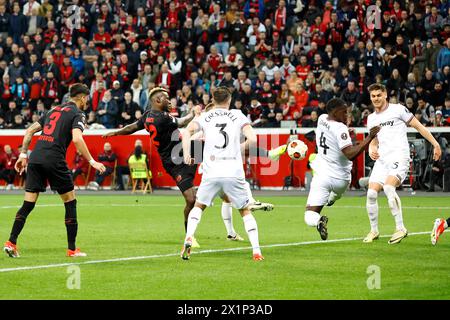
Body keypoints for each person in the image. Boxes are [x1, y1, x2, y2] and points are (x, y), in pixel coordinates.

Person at [3, 83, 106, 258]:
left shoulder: (52, 111)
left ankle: (11, 242)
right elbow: (77, 138)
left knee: (28, 204)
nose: (87, 102)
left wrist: (22, 155)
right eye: (87, 98)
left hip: (35, 158)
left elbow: (29, 131)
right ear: (82, 98)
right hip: (54, 158)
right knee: (70, 202)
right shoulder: (77, 113)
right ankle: (72, 249)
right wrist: (92, 161)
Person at [103, 87, 201, 246]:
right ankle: (189, 235)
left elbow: (131, 128)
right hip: (174, 162)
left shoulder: (148, 116)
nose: (169, 101)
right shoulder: (164, 117)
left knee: (207, 145)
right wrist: (193, 114)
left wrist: (115, 133)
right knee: (191, 199)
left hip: (183, 153)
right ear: (157, 100)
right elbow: (182, 122)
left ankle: (227, 187)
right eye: (166, 98)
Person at [181, 87, 264, 261]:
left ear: (213, 99)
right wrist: (238, 148)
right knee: (245, 210)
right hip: (232, 171)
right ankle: (256, 251)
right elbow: (254, 139)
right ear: (229, 100)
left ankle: (189, 237)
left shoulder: (205, 116)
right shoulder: (238, 115)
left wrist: (188, 153)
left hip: (211, 171)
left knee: (198, 206)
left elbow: (186, 131)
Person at [364, 83, 442, 244]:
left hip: (399, 156)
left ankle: (400, 228)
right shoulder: (371, 118)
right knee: (371, 194)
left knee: (388, 187)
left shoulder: (398, 109)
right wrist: (372, 148)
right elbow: (374, 140)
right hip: (382, 160)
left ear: (385, 94)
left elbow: (419, 127)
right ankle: (374, 230)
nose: (376, 98)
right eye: (373, 96)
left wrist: (435, 144)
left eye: (379, 95)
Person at [304, 98, 380, 240]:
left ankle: (318, 221)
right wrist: (369, 137)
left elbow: (334, 139)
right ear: (334, 112)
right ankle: (333, 198)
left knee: (309, 215)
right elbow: (350, 154)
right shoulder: (340, 129)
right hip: (342, 180)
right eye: (343, 112)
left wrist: (348, 138)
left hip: (322, 176)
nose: (346, 116)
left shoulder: (321, 118)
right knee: (336, 194)